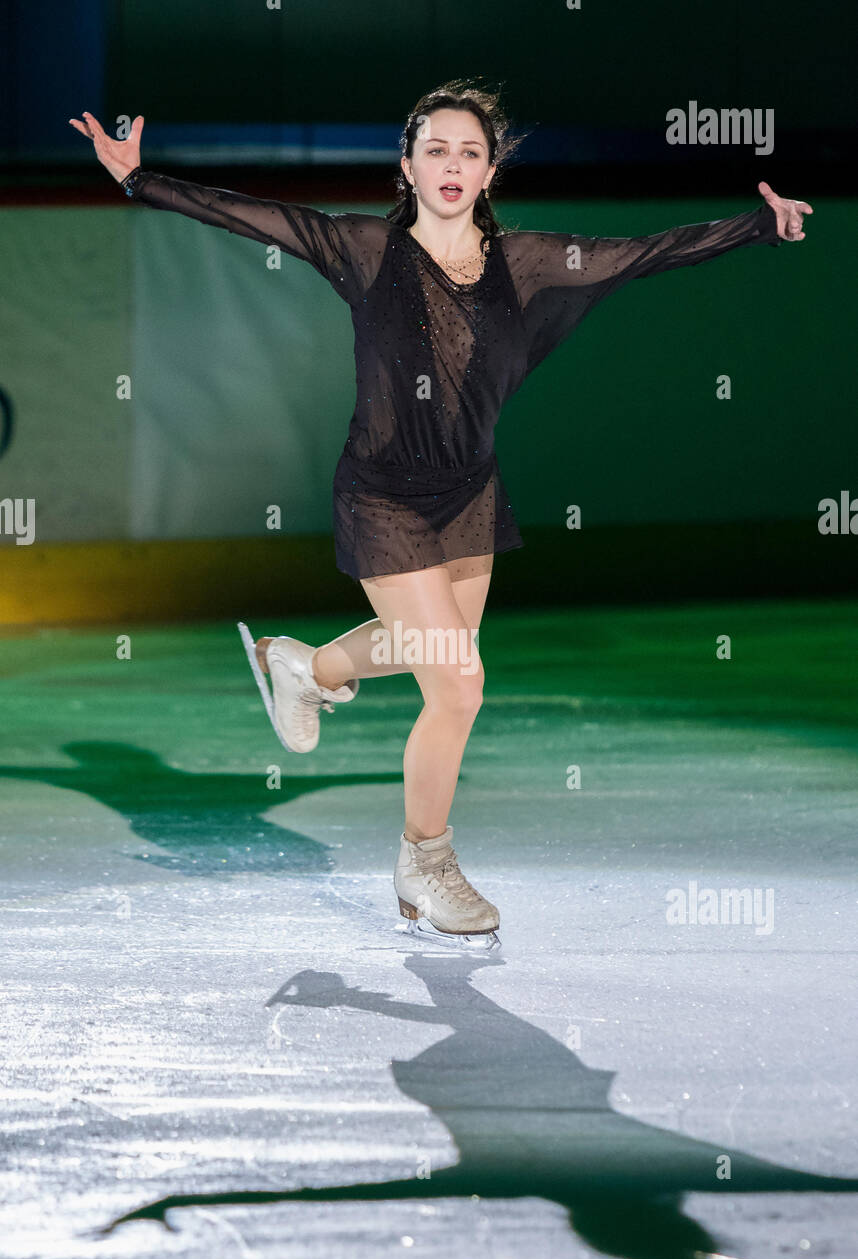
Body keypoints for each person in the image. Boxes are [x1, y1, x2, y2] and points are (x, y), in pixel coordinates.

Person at [70, 80, 812, 950]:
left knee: (428, 659)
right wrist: (138, 180)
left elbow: (642, 253)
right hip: (382, 498)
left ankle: (304, 665)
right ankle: (425, 864)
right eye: (436, 150)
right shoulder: (362, 248)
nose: (452, 165)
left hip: (470, 496)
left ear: (490, 171)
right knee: (457, 683)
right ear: (407, 167)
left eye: (470, 152)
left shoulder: (530, 264)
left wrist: (757, 225)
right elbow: (252, 216)